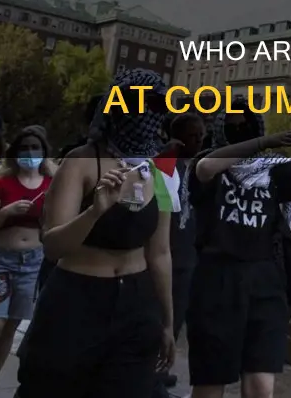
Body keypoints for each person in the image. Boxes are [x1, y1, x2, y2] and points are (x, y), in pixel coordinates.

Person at [16, 69, 178, 398]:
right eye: (137, 106)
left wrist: (167, 321)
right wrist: (94, 211)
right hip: (77, 299)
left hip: (136, 304)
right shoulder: (80, 163)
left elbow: (159, 253)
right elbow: (53, 246)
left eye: (153, 108)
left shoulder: (156, 173)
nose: (145, 116)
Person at [186, 109, 291, 398]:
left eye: (247, 125)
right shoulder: (212, 166)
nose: (241, 129)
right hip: (216, 282)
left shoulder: (273, 170)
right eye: (233, 126)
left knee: (260, 386)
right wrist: (263, 143)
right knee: (209, 382)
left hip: (265, 283)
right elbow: (205, 167)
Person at [0, 127, 54, 398]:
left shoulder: (51, 185)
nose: (30, 153)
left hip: (31, 263)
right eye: (24, 148)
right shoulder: (2, 185)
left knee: (10, 326)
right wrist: (6, 212)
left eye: (35, 148)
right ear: (15, 154)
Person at [153, 113, 206, 397]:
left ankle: (160, 371)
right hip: (164, 251)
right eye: (193, 135)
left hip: (187, 254)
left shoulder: (198, 167)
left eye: (201, 135)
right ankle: (149, 375)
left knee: (176, 317)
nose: (199, 140)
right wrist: (167, 153)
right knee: (157, 316)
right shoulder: (164, 163)